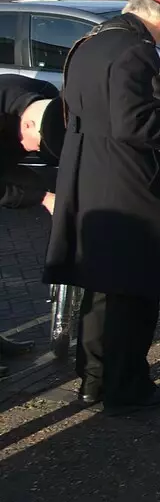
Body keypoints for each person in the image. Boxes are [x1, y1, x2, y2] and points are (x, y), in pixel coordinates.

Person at [45, 0, 160, 413]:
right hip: (128, 185)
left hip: (89, 179)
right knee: (134, 293)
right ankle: (127, 387)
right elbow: (135, 125)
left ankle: (93, 380)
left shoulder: (89, 43)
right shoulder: (136, 50)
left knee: (98, 290)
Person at [0, 76, 65, 376]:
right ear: (26, 125)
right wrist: (42, 196)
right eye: (36, 145)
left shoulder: (45, 97)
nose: (33, 152)